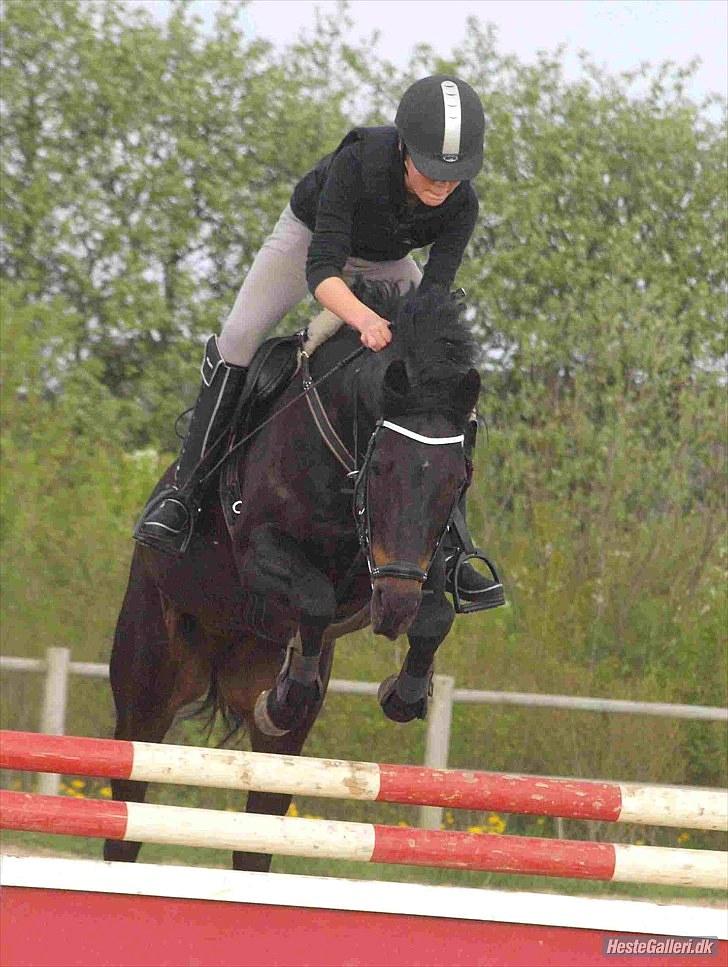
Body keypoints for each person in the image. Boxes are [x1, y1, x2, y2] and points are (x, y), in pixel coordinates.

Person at [134, 74, 499, 607]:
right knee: (238, 336)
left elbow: (432, 300)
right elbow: (323, 270)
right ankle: (182, 493)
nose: (443, 185)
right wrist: (365, 321)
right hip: (309, 242)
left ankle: (453, 549)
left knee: (441, 379)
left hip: (388, 260)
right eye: (431, 170)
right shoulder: (358, 162)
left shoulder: (461, 204)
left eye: (455, 174)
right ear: (402, 148)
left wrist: (420, 342)